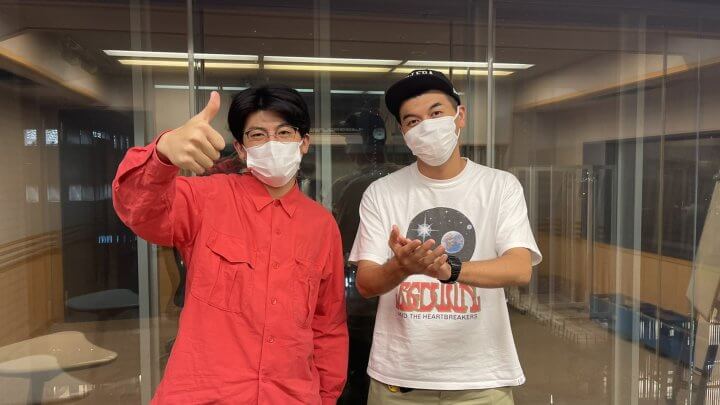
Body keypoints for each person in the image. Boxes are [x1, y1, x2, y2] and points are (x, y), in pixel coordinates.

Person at [113, 85, 348, 404]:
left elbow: (328, 325)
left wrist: (326, 397)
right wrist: (162, 153)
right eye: (258, 135)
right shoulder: (205, 198)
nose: (272, 143)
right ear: (240, 148)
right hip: (205, 394)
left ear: (303, 142)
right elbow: (137, 209)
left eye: (284, 132)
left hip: (292, 396)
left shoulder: (322, 226)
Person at [349, 70, 542, 404]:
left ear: (460, 116)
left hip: (482, 380)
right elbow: (366, 283)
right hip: (400, 380)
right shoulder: (381, 193)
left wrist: (449, 269)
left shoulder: (500, 186)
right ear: (404, 133)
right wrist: (401, 267)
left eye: (436, 113)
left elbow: (519, 268)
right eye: (412, 121)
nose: (426, 126)